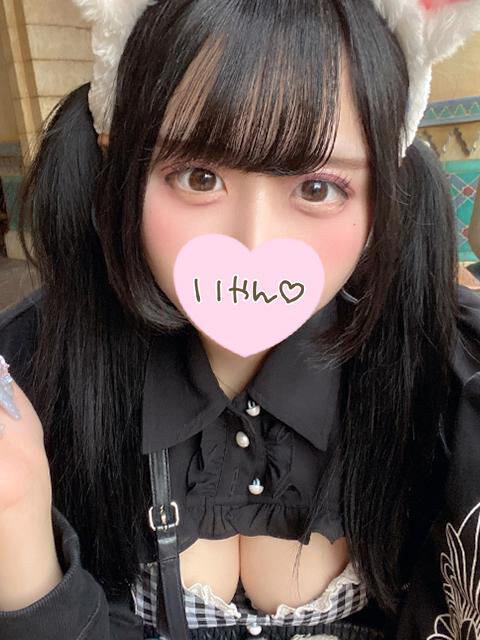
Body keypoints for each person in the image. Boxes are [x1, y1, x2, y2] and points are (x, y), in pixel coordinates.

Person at [0, 1, 480, 639]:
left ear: (384, 193)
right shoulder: (29, 373)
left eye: (317, 188)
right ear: (121, 170)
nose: (254, 244)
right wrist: (24, 554)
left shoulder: (454, 375)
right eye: (198, 177)